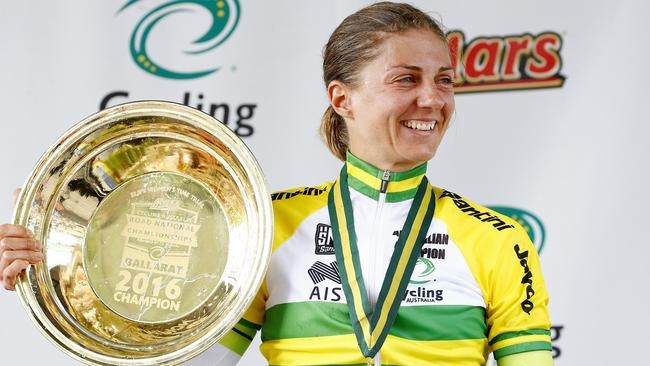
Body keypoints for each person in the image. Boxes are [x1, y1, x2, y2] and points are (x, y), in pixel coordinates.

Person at [0, 2, 553, 365]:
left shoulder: (498, 239)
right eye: (406, 79)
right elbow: (191, 358)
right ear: (342, 98)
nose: (431, 100)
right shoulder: (265, 225)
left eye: (444, 81)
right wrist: (56, 268)